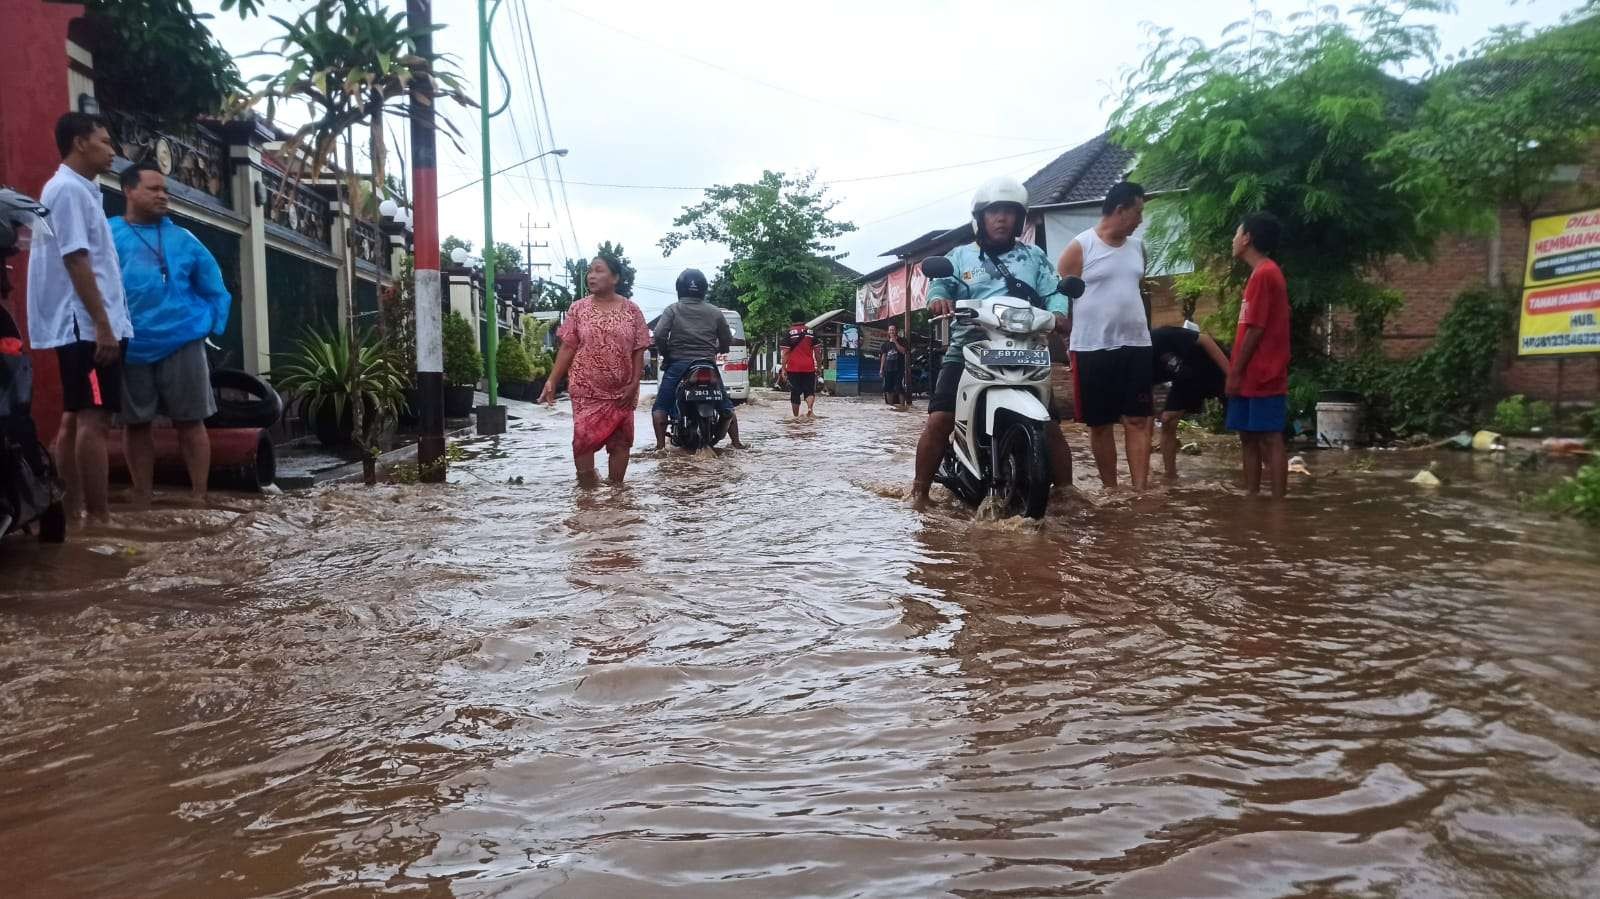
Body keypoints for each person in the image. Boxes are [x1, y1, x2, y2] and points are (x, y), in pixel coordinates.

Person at [912, 176, 1074, 510]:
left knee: (1052, 426)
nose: (1001, 218)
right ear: (981, 218)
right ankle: (918, 492)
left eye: (1009, 212)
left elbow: (1055, 290)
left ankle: (1068, 494)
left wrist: (1059, 312)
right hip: (969, 347)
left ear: (1019, 219)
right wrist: (939, 300)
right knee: (940, 418)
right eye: (994, 211)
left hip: (1026, 349)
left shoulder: (1035, 258)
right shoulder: (960, 256)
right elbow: (940, 286)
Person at [26, 112, 133, 524]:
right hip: (85, 326)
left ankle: (70, 511)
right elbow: (75, 259)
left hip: (83, 323)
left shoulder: (80, 190)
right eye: (105, 142)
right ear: (79, 142)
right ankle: (98, 516)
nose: (112, 151)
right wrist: (103, 325)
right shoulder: (67, 191)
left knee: (75, 416)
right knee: (94, 419)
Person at [110, 163, 231, 507]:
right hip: (131, 342)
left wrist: (208, 326)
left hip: (182, 341)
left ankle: (199, 496)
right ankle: (143, 495)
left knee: (191, 421)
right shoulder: (108, 234)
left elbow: (215, 286)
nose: (163, 195)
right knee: (135, 424)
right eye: (153, 189)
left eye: (165, 190)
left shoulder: (184, 239)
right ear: (129, 191)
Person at [1057, 180, 1154, 492]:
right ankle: (1111, 490)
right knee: (1100, 425)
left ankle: (1139, 492)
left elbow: (1140, 292)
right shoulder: (1079, 248)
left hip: (1137, 345)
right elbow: (1062, 302)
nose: (1140, 219)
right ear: (1119, 209)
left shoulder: (1138, 247)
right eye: (1137, 212)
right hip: (1091, 347)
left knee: (1138, 420)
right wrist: (1065, 345)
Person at [540, 255, 651, 486]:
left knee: (621, 442)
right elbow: (568, 347)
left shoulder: (632, 311)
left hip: (622, 391)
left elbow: (638, 350)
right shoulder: (578, 309)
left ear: (615, 277)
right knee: (582, 440)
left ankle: (616, 497)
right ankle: (587, 496)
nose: (591, 275)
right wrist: (552, 380)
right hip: (586, 389)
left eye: (599, 270)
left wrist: (634, 383)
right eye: (590, 271)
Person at [1226, 212, 1291, 498]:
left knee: (1270, 437)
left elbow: (1255, 330)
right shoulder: (1260, 274)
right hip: (1250, 372)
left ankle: (1278, 504)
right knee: (1247, 437)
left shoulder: (1266, 273)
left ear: (1247, 238)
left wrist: (1235, 371)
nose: (1233, 239)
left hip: (1264, 371)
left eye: (1237, 233)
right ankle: (1251, 497)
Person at [651, 267, 743, 450]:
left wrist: (666, 354)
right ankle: (736, 443)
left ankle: (660, 448)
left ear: (679, 288)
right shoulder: (715, 312)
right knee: (726, 404)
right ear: (704, 289)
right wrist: (721, 349)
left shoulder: (672, 310)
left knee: (660, 406)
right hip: (707, 363)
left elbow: (659, 334)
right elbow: (726, 338)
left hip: (678, 364)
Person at [1148, 324, 1229, 479]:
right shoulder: (1138, 366)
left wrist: (1231, 374)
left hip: (1214, 369)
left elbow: (1205, 340)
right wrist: (1157, 414)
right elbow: (1155, 392)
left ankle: (1261, 469)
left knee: (1243, 427)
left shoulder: (1160, 336)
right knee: (1167, 421)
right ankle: (1170, 475)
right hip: (1184, 381)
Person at [778, 313, 824, 418]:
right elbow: (817, 352)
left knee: (795, 393)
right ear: (804, 319)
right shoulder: (811, 332)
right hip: (809, 367)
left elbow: (785, 353)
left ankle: (795, 417)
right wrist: (819, 366)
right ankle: (809, 410)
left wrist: (784, 369)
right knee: (809, 391)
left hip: (793, 368)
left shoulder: (788, 333)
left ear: (791, 319)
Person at [880, 323, 909, 407]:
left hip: (899, 368)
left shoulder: (902, 341)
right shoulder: (885, 344)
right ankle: (890, 407)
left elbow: (903, 351)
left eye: (893, 329)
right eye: (890, 330)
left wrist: (895, 341)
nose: (892, 331)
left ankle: (903, 407)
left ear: (896, 331)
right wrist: (881, 369)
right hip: (888, 369)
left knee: (899, 387)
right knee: (888, 388)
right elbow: (883, 356)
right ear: (888, 332)